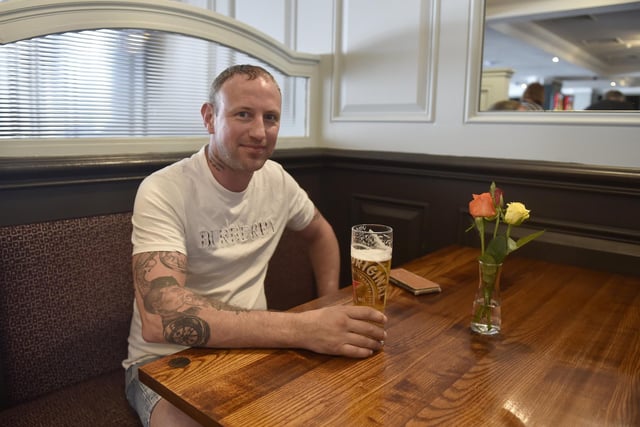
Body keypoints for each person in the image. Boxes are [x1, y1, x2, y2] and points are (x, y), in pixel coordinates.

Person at [123, 64, 387, 427]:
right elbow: (160, 316)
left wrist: (328, 304)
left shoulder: (277, 180)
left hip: (256, 350)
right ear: (210, 117)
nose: (260, 132)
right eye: (243, 114)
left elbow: (320, 232)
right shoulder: (164, 189)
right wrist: (304, 329)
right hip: (164, 364)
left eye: (271, 117)